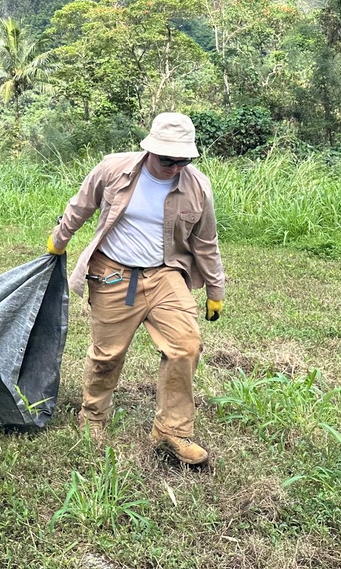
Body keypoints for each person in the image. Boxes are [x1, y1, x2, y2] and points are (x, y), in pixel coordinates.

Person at [47, 112, 225, 466]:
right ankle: (94, 417)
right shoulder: (114, 169)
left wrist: (215, 290)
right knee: (107, 353)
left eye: (183, 160)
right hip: (112, 272)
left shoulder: (197, 186)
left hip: (165, 274)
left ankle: (172, 430)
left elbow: (206, 242)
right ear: (150, 150)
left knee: (186, 346)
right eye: (167, 160)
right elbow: (80, 206)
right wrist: (59, 240)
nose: (175, 167)